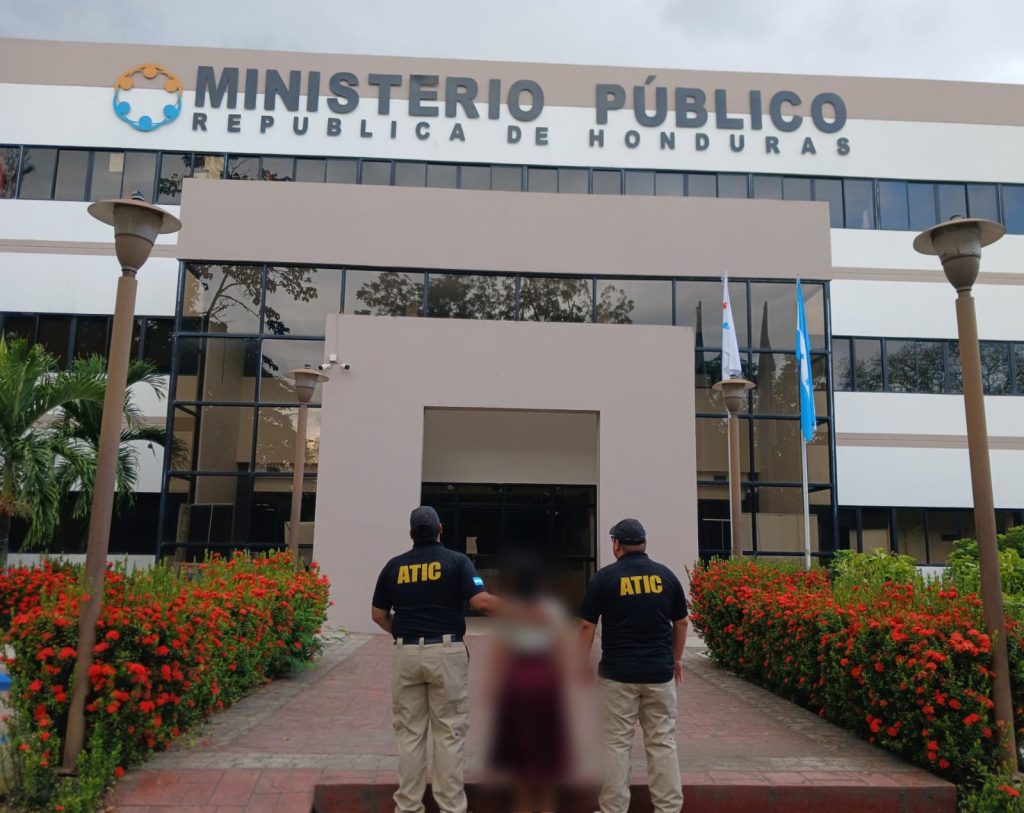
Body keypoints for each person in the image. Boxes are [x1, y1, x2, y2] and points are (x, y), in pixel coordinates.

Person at [371, 506, 505, 813]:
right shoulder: (457, 561)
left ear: (411, 534)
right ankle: (451, 807)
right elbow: (481, 602)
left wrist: (403, 632)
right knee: (449, 733)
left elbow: (378, 614)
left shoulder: (394, 566)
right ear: (440, 529)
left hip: (406, 654)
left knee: (409, 735)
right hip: (446, 653)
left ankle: (408, 807)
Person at [578, 518, 688, 813]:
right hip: (659, 673)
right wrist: (676, 658)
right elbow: (681, 622)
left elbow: (587, 625)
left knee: (615, 744)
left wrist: (580, 664)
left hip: (618, 675)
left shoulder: (605, 578)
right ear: (644, 543)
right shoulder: (665, 576)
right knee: (662, 742)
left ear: (616, 544)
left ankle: (613, 809)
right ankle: (668, 809)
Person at [486, 553, 572, 813]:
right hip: (545, 681)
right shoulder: (552, 608)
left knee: (520, 760)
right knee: (547, 757)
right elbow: (560, 651)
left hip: (517, 681)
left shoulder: (511, 611)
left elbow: (500, 654)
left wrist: (492, 689)